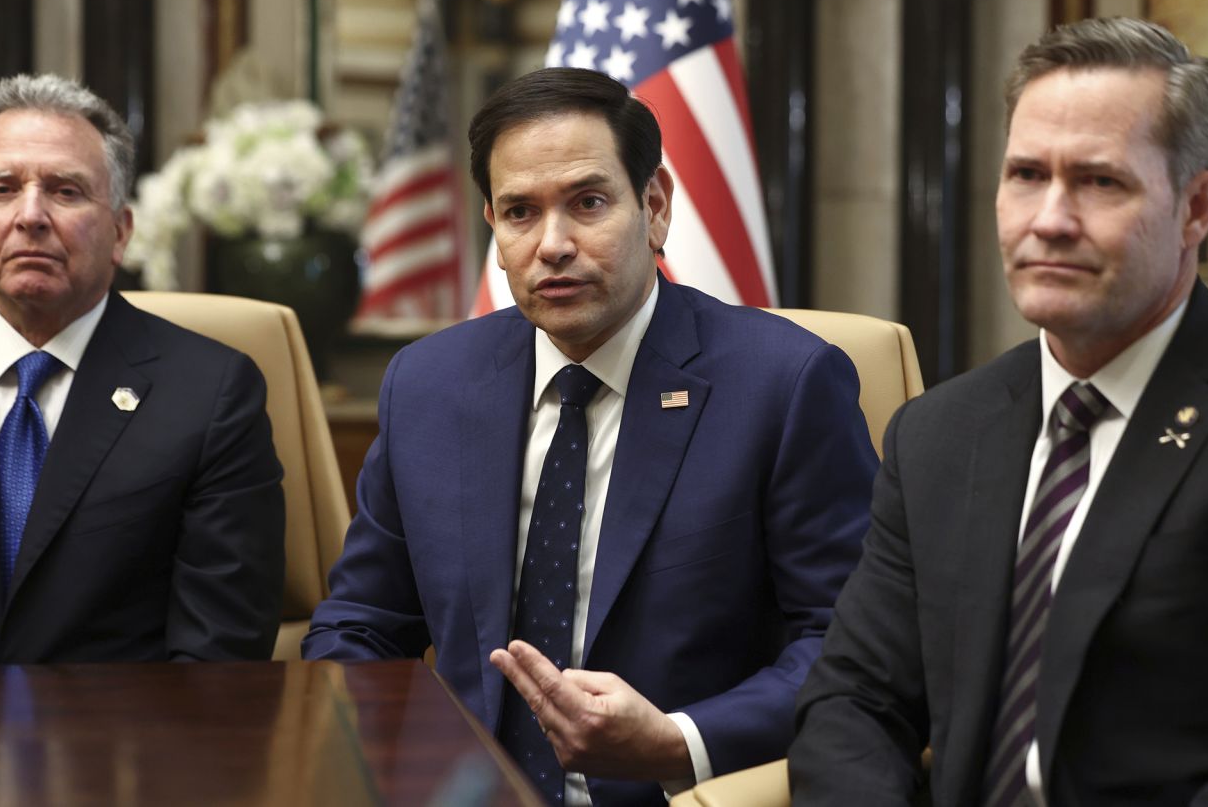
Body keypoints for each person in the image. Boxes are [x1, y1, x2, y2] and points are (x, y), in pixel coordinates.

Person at [305, 67, 876, 805]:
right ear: (494, 229)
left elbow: (847, 643)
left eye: (588, 203)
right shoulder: (429, 385)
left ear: (655, 206)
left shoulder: (784, 385)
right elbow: (364, 624)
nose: (553, 244)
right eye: (520, 212)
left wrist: (679, 739)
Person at [789, 17, 1208, 807]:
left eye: (1100, 181)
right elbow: (853, 703)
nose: (1049, 219)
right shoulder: (940, 433)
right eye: (1027, 174)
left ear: (1197, 207)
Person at [0, 73, 285, 663]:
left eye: (65, 191)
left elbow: (217, 661)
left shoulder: (210, 396)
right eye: (3, 189)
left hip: (121, 749)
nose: (31, 215)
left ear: (121, 232)